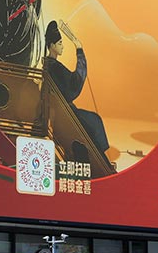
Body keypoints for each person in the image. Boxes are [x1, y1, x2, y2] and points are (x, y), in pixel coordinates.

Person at [42, 20, 109, 155]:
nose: (62, 47)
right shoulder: (54, 67)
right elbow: (75, 82)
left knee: (94, 120)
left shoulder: (49, 65)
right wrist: (79, 49)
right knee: (94, 122)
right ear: (52, 46)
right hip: (64, 114)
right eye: (60, 43)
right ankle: (99, 160)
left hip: (62, 111)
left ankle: (99, 158)